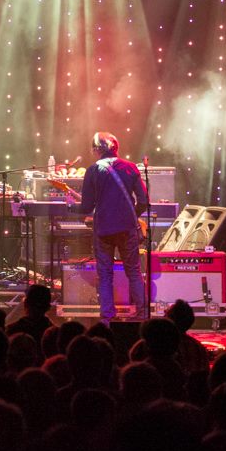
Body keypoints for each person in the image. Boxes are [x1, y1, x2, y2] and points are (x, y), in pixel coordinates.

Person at [68, 132, 149, 324]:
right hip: (127, 229)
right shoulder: (131, 168)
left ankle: (107, 318)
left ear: (97, 150)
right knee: (134, 272)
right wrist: (131, 216)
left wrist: (70, 206)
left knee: (105, 275)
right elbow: (144, 201)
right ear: (116, 147)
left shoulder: (93, 170)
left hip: (103, 230)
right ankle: (143, 314)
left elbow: (87, 207)